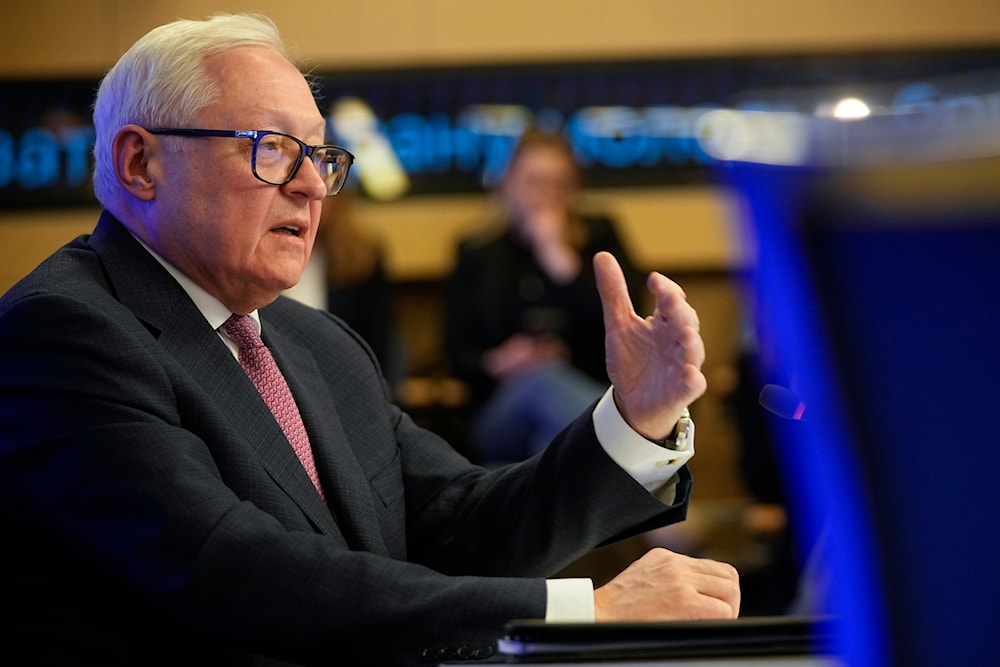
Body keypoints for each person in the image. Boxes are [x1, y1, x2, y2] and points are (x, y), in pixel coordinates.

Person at [0, 13, 739, 666]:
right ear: (141, 163)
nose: (311, 186)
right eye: (271, 148)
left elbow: (462, 526)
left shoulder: (318, 344)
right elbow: (238, 572)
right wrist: (585, 612)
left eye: (319, 156)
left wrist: (635, 418)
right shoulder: (62, 331)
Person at [445, 129, 644, 464]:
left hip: (590, 389)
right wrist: (501, 362)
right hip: (502, 410)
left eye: (558, 183)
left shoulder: (599, 239)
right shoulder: (479, 253)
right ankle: (620, 466)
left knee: (550, 435)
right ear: (508, 184)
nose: (546, 194)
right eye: (535, 182)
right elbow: (457, 352)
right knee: (542, 384)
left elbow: (629, 327)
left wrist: (558, 256)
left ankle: (553, 496)